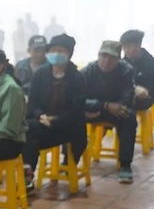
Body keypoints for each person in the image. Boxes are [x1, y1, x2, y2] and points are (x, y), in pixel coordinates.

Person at [23, 34, 87, 188]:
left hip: (68, 126)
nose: (56, 53)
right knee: (26, 129)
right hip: (43, 122)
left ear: (69, 54)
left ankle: (28, 172)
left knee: (31, 135)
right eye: (53, 50)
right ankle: (28, 173)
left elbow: (76, 110)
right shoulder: (40, 74)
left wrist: (55, 121)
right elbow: (33, 102)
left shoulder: (77, 77)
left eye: (61, 50)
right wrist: (40, 115)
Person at [82, 41, 136, 183]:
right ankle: (68, 159)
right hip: (93, 109)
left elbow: (127, 98)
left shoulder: (126, 71)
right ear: (98, 56)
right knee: (70, 116)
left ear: (118, 59)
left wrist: (105, 110)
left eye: (111, 58)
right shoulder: (88, 71)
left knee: (128, 117)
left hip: (113, 111)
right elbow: (78, 100)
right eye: (103, 56)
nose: (106, 61)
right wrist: (103, 106)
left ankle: (125, 164)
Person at [120, 30, 154, 111]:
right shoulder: (121, 63)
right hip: (124, 100)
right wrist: (134, 88)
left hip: (143, 101)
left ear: (138, 45)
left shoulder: (150, 63)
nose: (126, 50)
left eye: (128, 47)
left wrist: (146, 91)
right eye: (124, 48)